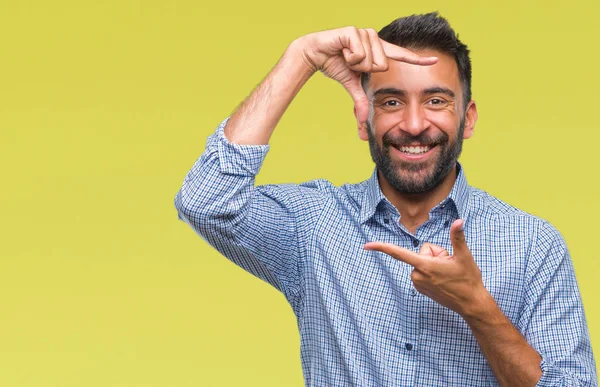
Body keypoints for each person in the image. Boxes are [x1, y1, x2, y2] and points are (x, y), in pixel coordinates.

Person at [173, 12, 597, 386]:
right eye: (391, 102)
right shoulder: (313, 226)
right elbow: (205, 201)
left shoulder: (532, 245)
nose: (414, 124)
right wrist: (300, 57)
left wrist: (477, 305)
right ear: (364, 120)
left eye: (436, 101)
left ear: (467, 120)